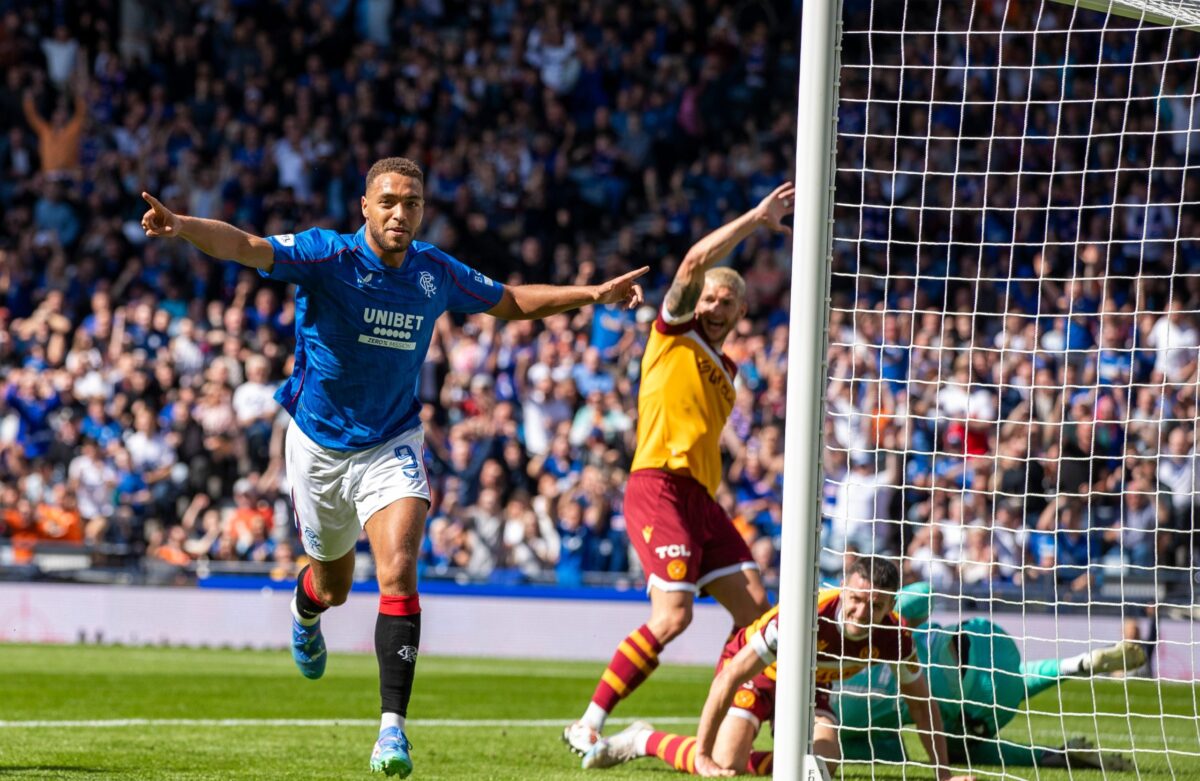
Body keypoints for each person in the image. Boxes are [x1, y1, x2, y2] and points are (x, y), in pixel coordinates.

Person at [140, 156, 647, 778]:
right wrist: (182, 225)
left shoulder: (434, 272)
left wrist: (590, 295)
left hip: (392, 441)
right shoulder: (328, 255)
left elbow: (510, 300)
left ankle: (391, 732)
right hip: (318, 446)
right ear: (365, 206)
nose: (399, 213)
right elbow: (247, 246)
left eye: (410, 203)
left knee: (400, 569)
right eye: (388, 201)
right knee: (333, 587)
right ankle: (305, 610)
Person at [563, 183, 795, 755]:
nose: (714, 306)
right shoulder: (673, 334)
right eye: (710, 297)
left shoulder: (731, 369)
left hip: (701, 499)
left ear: (741, 311)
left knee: (757, 615)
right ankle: (588, 721)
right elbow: (693, 261)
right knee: (674, 617)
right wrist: (755, 220)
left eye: (726, 302)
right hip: (657, 486)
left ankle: (741, 718)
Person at [581, 558, 975, 781]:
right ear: (844, 589)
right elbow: (729, 678)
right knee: (723, 765)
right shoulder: (805, 616)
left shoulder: (896, 637)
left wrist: (943, 774)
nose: (862, 612)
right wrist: (701, 754)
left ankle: (780, 760)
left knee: (824, 765)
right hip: (759, 672)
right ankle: (642, 739)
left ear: (890, 607)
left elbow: (923, 705)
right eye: (856, 599)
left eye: (875, 606)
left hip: (809, 684)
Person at [832, 582, 1143, 770]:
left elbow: (922, 594)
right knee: (895, 748)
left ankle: (1051, 747)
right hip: (966, 660)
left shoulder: (836, 714)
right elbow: (921, 595)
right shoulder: (885, 634)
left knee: (949, 743)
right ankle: (1075, 666)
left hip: (955, 692)